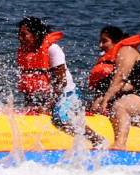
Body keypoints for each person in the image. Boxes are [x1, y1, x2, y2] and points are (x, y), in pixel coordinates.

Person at [15, 16, 102, 147]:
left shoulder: (52, 49)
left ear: (36, 34)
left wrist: (49, 105)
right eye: (19, 34)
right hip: (45, 95)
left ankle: (96, 140)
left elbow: (62, 83)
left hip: (66, 94)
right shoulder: (26, 53)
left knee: (60, 119)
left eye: (24, 34)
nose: (20, 38)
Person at [87, 25, 140, 150]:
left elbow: (120, 79)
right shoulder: (112, 59)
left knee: (119, 106)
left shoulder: (127, 51)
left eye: (104, 41)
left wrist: (106, 99)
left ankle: (120, 145)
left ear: (116, 41)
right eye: (100, 41)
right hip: (130, 99)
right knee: (96, 106)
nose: (100, 45)